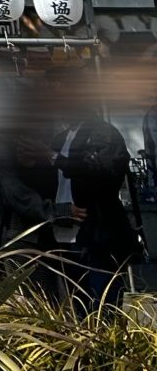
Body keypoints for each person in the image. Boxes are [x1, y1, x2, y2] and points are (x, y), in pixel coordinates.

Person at [64, 117, 144, 306]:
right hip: (62, 230)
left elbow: (101, 171)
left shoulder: (102, 132)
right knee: (76, 302)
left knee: (103, 300)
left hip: (97, 231)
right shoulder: (60, 138)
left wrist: (55, 159)